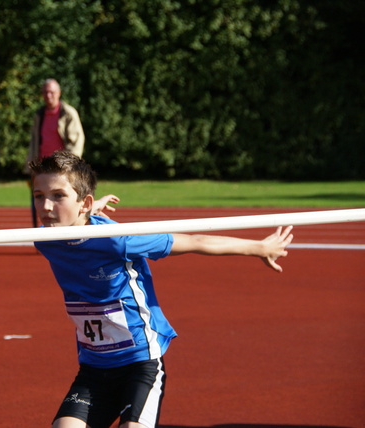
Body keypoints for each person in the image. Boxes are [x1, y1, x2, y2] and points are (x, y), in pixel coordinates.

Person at [29, 151, 294, 428]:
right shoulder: (43, 239)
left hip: (140, 363)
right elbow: (74, 226)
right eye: (38, 196)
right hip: (94, 368)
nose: (46, 206)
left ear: (83, 203)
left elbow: (196, 241)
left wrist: (259, 248)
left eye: (58, 196)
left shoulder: (119, 241)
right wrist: (87, 211)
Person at [26, 78, 85, 227]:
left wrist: (69, 165)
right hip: (42, 169)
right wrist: (29, 167)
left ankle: (75, 234)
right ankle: (46, 236)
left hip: (63, 169)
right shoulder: (39, 115)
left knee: (67, 203)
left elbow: (77, 141)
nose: (48, 95)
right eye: (45, 92)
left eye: (52, 92)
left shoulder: (68, 113)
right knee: (42, 202)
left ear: (59, 93)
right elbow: (34, 143)